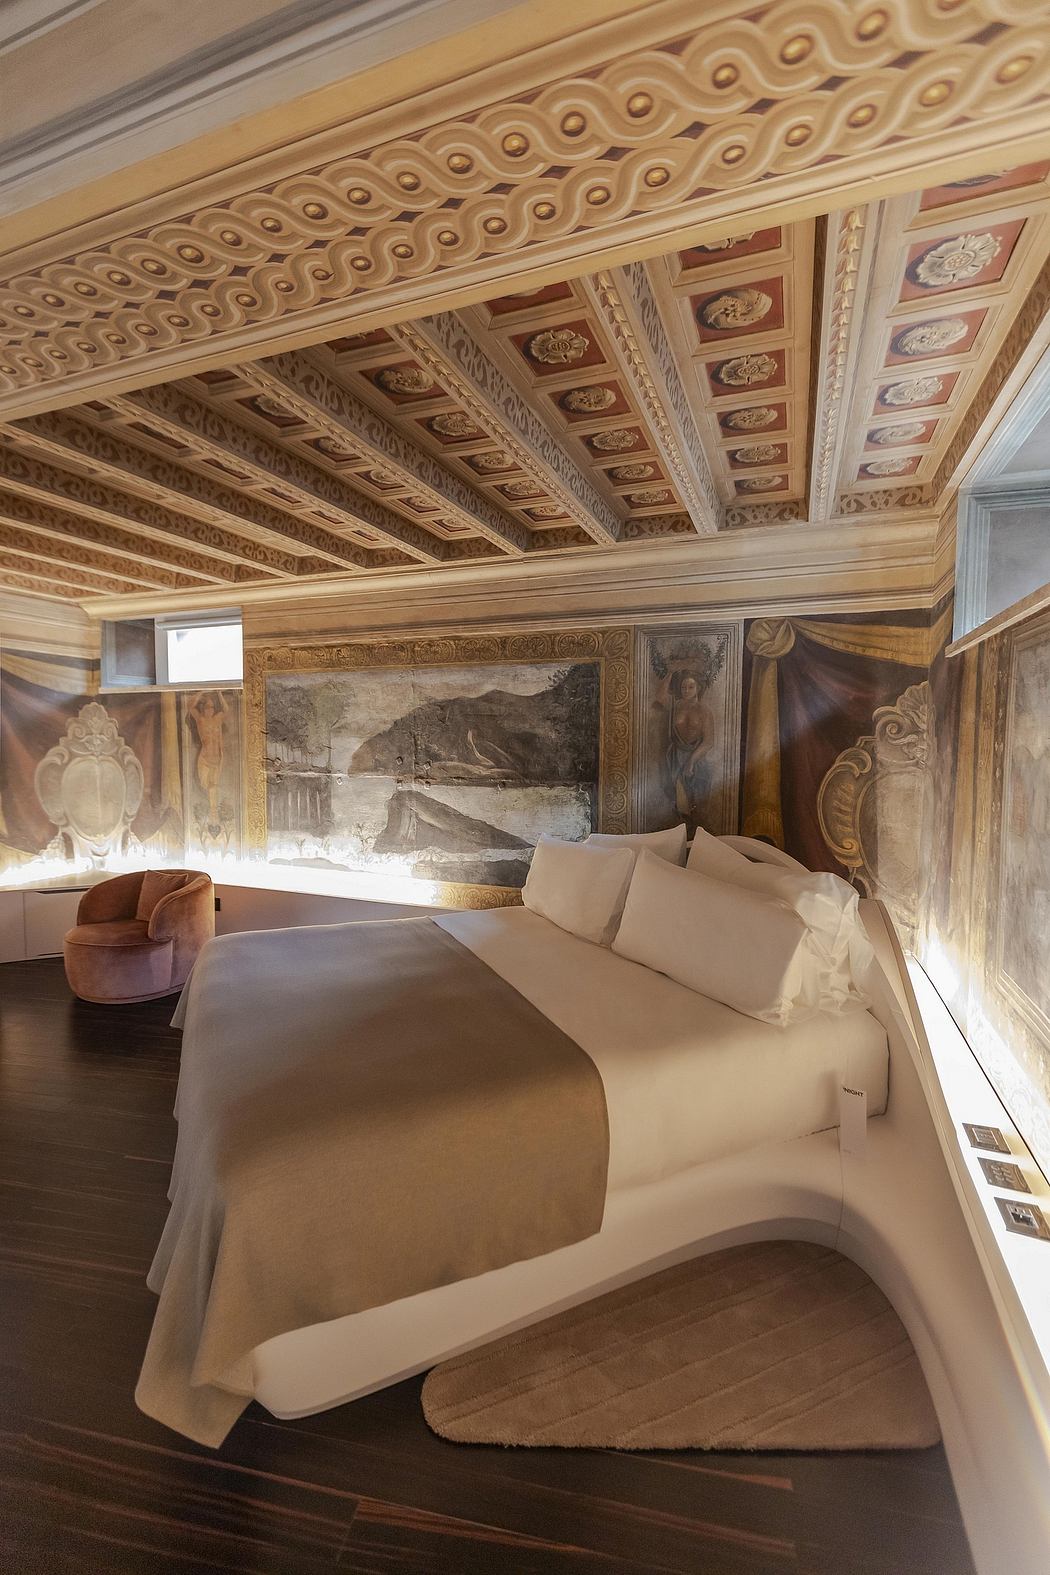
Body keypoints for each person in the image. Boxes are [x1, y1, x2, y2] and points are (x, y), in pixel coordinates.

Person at [188, 691, 229, 826]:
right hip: (205, 758)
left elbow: (226, 710)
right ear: (203, 709)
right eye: (207, 707)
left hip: (217, 758)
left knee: (213, 787)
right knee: (205, 786)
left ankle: (214, 816)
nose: (209, 710)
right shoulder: (200, 720)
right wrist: (200, 693)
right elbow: (190, 708)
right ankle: (209, 814)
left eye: (211, 707)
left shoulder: (218, 719)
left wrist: (219, 693)